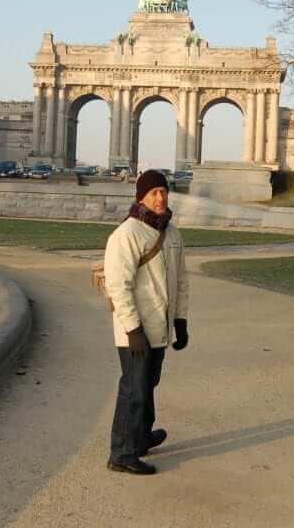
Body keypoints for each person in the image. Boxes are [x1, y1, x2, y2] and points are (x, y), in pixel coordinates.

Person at [103, 169, 189, 475]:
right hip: (136, 329)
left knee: (149, 384)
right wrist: (133, 329)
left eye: (163, 191)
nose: (160, 197)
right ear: (141, 196)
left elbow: (181, 281)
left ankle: (139, 437)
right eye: (154, 192)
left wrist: (180, 320)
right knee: (133, 388)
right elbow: (118, 285)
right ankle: (122, 453)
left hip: (160, 327)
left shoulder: (172, 233)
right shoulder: (126, 234)